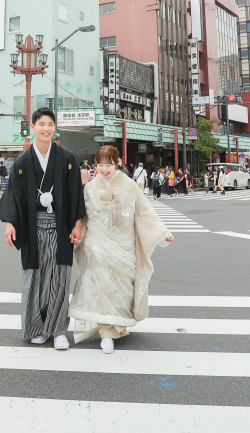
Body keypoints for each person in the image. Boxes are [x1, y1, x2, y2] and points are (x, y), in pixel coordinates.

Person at [0, 107, 86, 351]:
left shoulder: (66, 158)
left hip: (61, 226)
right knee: (35, 278)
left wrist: (77, 224)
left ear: (55, 128)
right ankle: (36, 328)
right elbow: (12, 194)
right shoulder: (23, 161)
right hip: (33, 228)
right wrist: (9, 224)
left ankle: (59, 330)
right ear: (32, 127)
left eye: (50, 124)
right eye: (41, 124)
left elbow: (76, 193)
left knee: (60, 278)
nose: (46, 128)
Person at [69, 145, 173, 353]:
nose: (105, 169)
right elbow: (82, 214)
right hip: (97, 243)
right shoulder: (89, 187)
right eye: (100, 164)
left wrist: (162, 231)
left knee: (121, 286)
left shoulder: (129, 184)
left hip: (123, 244)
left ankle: (117, 325)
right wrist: (78, 229)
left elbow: (144, 211)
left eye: (109, 164)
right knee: (101, 285)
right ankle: (107, 331)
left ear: (117, 164)